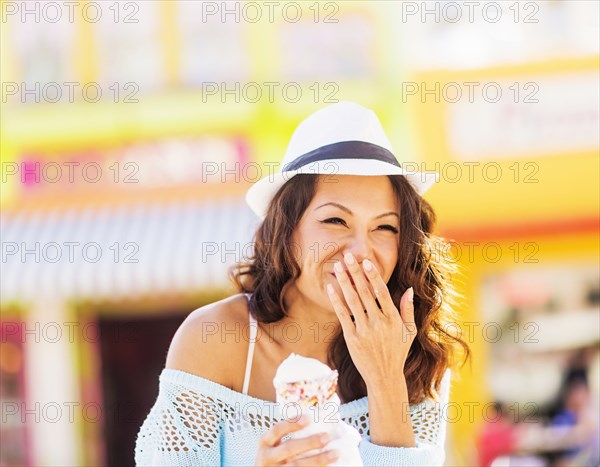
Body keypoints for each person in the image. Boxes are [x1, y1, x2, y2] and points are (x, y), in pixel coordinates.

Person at [134, 101, 470, 466]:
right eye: (335, 221)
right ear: (285, 230)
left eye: (385, 227)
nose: (361, 251)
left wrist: (386, 377)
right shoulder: (214, 338)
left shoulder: (417, 353)